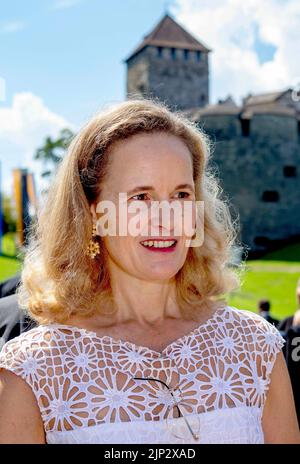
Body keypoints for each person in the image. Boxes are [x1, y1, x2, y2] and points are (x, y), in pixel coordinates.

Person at [0, 99, 299, 444]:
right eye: (141, 197)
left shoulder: (255, 347)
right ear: (95, 214)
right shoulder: (32, 370)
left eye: (181, 195)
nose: (166, 217)